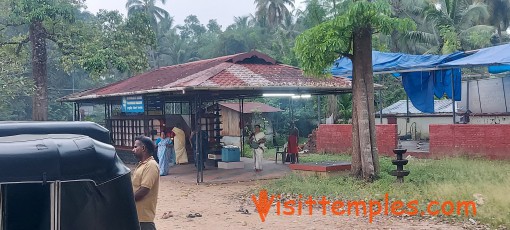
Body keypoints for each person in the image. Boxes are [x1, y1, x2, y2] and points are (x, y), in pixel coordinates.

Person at [132, 135, 160, 230]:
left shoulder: (151, 165)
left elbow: (144, 190)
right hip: (137, 215)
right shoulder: (142, 165)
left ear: (143, 148)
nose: (133, 149)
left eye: (136, 147)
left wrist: (128, 201)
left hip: (144, 218)